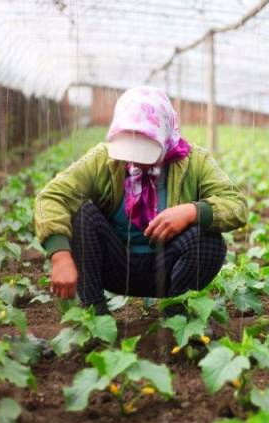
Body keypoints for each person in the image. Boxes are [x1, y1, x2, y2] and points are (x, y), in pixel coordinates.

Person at [34, 86, 248, 315]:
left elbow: (237, 206)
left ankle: (176, 312)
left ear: (165, 133)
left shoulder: (195, 161)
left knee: (208, 239)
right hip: (116, 266)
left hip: (168, 268)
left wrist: (192, 211)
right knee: (83, 215)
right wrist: (60, 256)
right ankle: (95, 317)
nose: (136, 159)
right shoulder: (103, 160)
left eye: (146, 149)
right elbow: (52, 197)